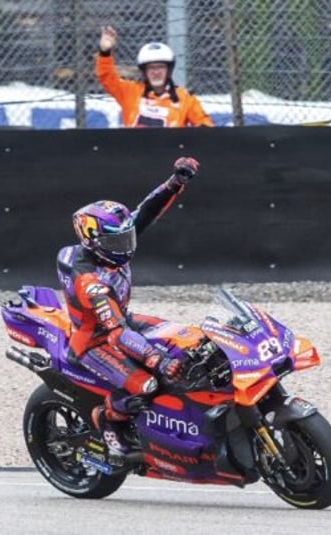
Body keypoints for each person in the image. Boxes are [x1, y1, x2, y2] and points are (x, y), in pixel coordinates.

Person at [56, 156, 200, 455]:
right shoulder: (89, 281)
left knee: (190, 338)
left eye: (127, 238)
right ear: (92, 242)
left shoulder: (113, 237)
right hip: (95, 343)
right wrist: (157, 361)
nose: (126, 247)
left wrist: (175, 183)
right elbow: (117, 335)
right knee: (146, 384)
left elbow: (147, 210)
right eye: (117, 243)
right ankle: (107, 420)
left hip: (123, 320)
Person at [95, 25, 214, 128]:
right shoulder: (130, 92)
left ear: (169, 70)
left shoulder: (185, 97)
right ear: (144, 71)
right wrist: (105, 52)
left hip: (171, 152)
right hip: (135, 152)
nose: (156, 72)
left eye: (161, 67)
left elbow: (204, 126)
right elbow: (107, 78)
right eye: (151, 68)